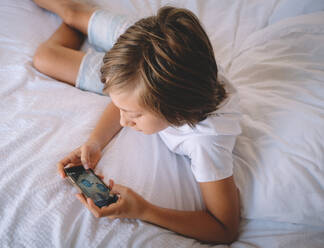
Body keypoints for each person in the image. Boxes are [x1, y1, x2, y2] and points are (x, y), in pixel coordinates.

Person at [32, 0, 241, 244]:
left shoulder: (206, 142)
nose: (122, 120)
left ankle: (84, 25)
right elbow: (126, 100)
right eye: (121, 109)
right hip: (142, 46)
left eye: (132, 115)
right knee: (71, 13)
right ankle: (82, 21)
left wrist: (143, 210)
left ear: (174, 112)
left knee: (45, 57)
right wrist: (95, 143)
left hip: (147, 67)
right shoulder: (158, 84)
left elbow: (225, 229)